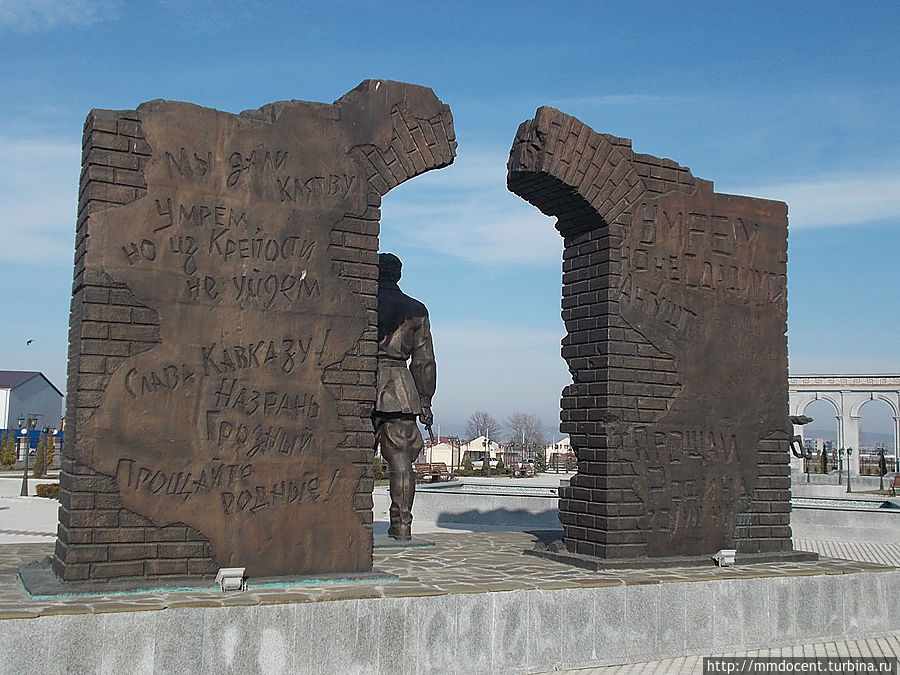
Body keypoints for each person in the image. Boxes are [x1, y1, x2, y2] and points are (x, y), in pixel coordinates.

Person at [372, 253, 436, 540]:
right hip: (401, 390)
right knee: (401, 462)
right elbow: (424, 362)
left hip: (363, 384)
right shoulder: (416, 309)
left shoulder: (362, 300)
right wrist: (425, 401)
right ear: (398, 275)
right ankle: (402, 526)